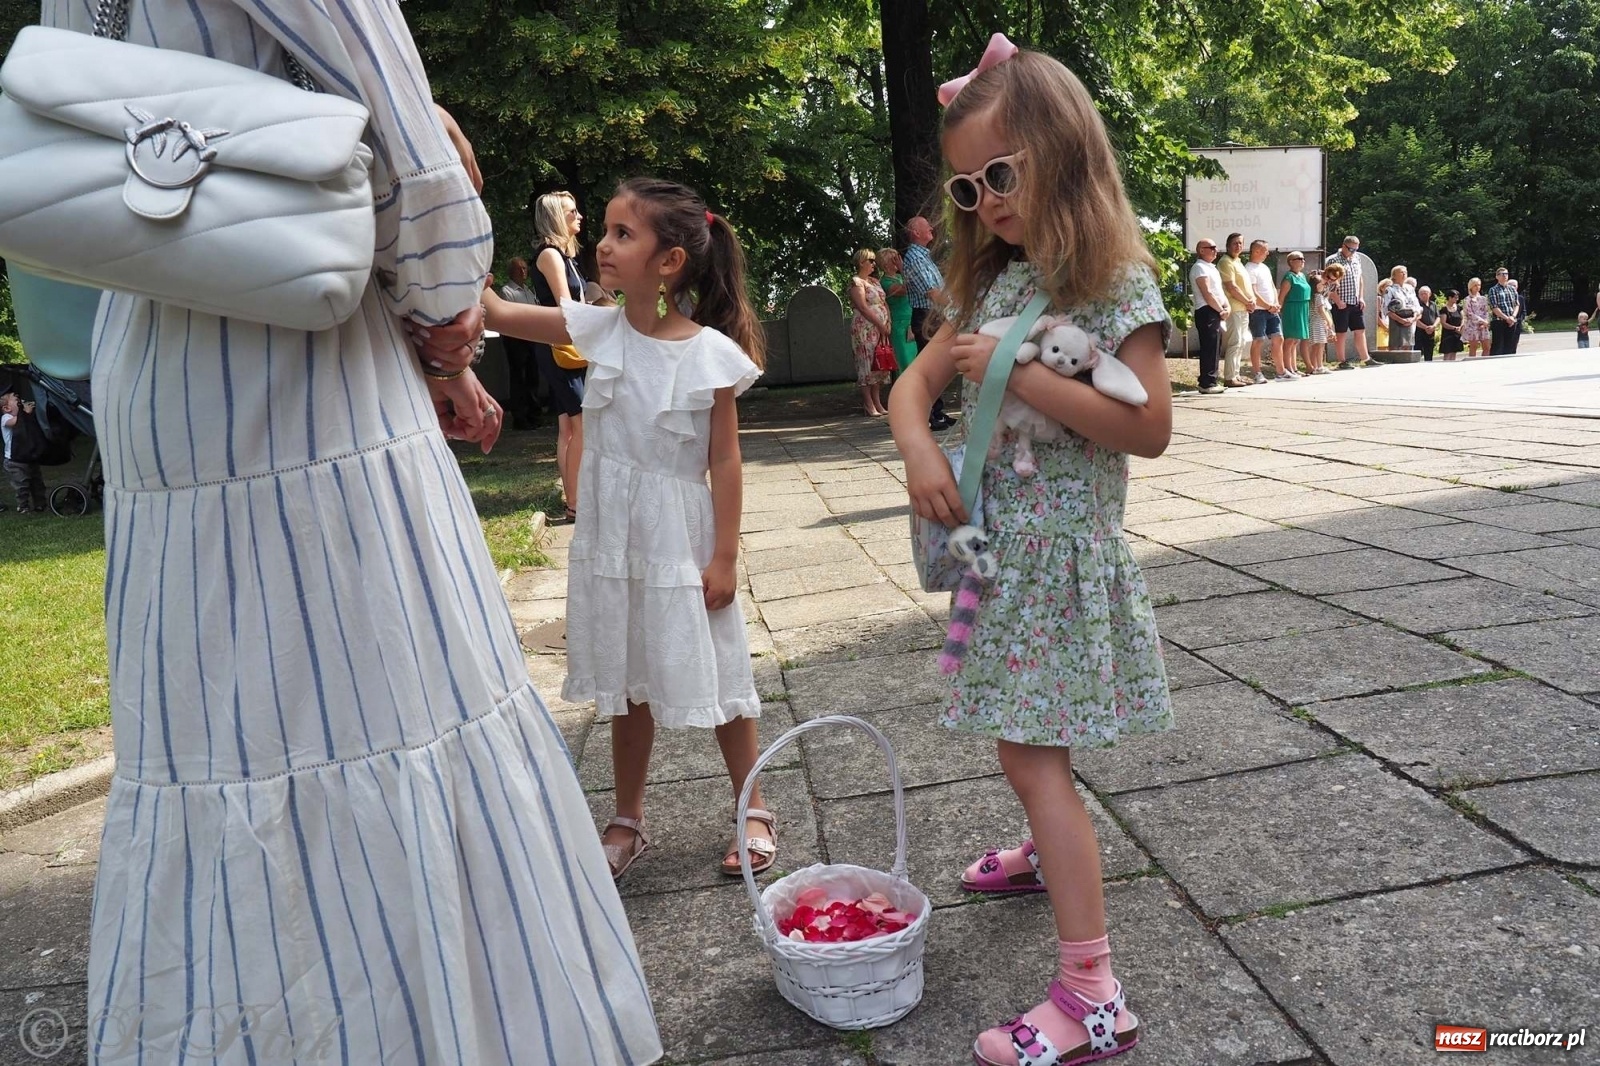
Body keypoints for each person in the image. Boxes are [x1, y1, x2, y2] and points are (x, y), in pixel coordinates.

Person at [52, 0, 662, 1062]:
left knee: (218, 740)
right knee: (383, 703)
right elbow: (414, 159)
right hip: (304, 370)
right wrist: (440, 319)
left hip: (157, 370)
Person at [888, 36, 1173, 1066]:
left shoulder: (1112, 287)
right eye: (968, 187)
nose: (986, 201)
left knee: (1027, 746)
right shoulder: (996, 285)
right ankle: (1042, 857)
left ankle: (1094, 994)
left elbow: (1144, 425)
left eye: (1000, 174)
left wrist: (1008, 375)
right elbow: (909, 389)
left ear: (1062, 154)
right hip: (1003, 551)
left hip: (1061, 557)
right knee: (1026, 731)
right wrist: (920, 445)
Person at [482, 177, 777, 884]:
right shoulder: (594, 326)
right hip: (615, 538)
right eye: (605, 230)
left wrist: (726, 555)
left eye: (622, 234)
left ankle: (755, 804)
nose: (603, 246)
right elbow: (494, 311)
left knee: (718, 671)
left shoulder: (707, 353)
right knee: (626, 677)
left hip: (683, 539)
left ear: (669, 260)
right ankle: (628, 817)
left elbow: (726, 460)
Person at [531, 191, 590, 522]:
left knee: (568, 427)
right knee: (581, 425)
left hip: (562, 346)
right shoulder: (551, 255)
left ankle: (574, 503)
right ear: (556, 217)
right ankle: (578, 504)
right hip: (558, 347)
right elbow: (567, 305)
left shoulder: (565, 256)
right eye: (571, 212)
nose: (578, 216)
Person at [904, 216, 957, 428]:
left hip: (933, 316)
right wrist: (958, 307)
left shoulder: (923, 257)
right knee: (931, 367)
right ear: (916, 232)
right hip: (927, 316)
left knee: (937, 366)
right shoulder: (915, 258)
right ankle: (930, 415)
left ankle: (937, 411)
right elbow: (934, 293)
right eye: (927, 226)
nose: (931, 228)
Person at [847, 247, 893, 415]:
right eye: (871, 261)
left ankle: (877, 402)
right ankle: (868, 404)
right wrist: (880, 324)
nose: (874, 264)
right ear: (861, 262)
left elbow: (883, 301)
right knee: (866, 362)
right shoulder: (856, 282)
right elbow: (863, 307)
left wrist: (887, 321)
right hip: (865, 328)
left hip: (880, 327)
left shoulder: (874, 281)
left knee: (879, 363)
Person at [498, 257, 543, 428]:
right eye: (520, 269)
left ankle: (533, 414)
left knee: (532, 377)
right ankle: (520, 417)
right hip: (516, 340)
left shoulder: (528, 291)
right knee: (519, 378)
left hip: (532, 338)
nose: (523, 272)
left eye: (525, 268)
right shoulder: (507, 291)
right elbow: (511, 317)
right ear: (512, 271)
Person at [1188, 239, 1227, 394]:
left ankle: (1212, 380)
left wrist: (1226, 306)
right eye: (1211, 247)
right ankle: (1206, 382)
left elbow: (1219, 291)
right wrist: (1220, 310)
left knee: (1215, 346)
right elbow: (1207, 292)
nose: (1215, 250)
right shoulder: (1199, 268)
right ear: (1201, 250)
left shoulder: (1212, 268)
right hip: (1206, 310)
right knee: (1209, 347)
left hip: (1216, 310)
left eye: (1216, 247)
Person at [1244, 240, 1287, 379]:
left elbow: (1272, 287)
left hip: (1272, 310)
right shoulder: (1249, 268)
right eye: (1265, 251)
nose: (1267, 253)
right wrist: (1268, 305)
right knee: (1259, 340)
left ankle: (1281, 371)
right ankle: (1257, 373)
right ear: (1256, 251)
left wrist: (1275, 303)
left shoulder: (1264, 267)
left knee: (1279, 338)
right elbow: (1253, 292)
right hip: (1258, 311)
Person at [1325, 235, 1370, 367]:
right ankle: (1341, 360)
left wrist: (1361, 297)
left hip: (1354, 300)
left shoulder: (1356, 258)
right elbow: (1328, 283)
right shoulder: (1333, 260)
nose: (1353, 252)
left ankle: (1366, 358)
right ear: (1344, 246)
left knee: (1360, 329)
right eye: (1351, 249)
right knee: (1341, 332)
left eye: (1356, 249)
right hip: (1340, 302)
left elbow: (1359, 279)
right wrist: (1337, 301)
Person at [1217, 232, 1255, 385]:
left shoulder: (1238, 262)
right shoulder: (1225, 262)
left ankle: (1236, 375)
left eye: (1240, 243)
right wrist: (1247, 301)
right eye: (1234, 243)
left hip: (1244, 308)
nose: (1238, 246)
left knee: (1241, 342)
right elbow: (1231, 287)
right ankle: (1229, 377)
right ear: (1227, 245)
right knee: (1235, 342)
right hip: (1234, 308)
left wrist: (1250, 302)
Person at [1, 391, 47, 514]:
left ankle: (40, 504)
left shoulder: (24, 417)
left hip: (29, 456)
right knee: (22, 484)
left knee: (37, 483)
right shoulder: (6, 418)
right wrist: (25, 413)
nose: (22, 404)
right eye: (18, 402)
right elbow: (16, 423)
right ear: (7, 408)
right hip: (14, 461)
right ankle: (23, 506)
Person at [879, 247, 918, 372]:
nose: (897, 261)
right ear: (885, 264)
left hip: (910, 322)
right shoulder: (885, 281)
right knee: (904, 361)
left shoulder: (899, 277)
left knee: (915, 360)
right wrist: (902, 268)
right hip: (899, 325)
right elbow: (905, 290)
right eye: (894, 259)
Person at [1277, 252, 1312, 376]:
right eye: (1299, 259)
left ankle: (1294, 368)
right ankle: (1288, 368)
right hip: (1292, 309)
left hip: (1303, 308)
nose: (1303, 261)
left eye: (1303, 258)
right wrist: (1278, 309)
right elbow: (1281, 297)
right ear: (1291, 261)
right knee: (1290, 339)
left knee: (1296, 340)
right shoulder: (1288, 277)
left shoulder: (1302, 275)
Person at [1306, 267, 1335, 374]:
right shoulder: (1317, 296)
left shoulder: (1319, 296)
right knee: (1320, 345)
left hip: (1316, 322)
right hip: (1317, 322)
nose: (1324, 286)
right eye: (1322, 284)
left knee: (1317, 345)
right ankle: (1319, 366)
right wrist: (1328, 321)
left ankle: (1315, 366)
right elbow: (1321, 310)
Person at [1385, 266, 1419, 350]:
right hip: (1397, 320)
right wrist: (1401, 320)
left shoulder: (1410, 289)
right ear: (1394, 276)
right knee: (1396, 345)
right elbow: (1387, 309)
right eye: (1401, 272)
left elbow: (1417, 306)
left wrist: (1413, 319)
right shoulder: (1390, 290)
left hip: (1410, 319)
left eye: (1405, 272)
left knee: (1408, 345)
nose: (1404, 273)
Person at [1464, 275, 1493, 358]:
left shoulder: (1483, 298)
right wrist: (1481, 321)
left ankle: (1484, 362)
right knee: (1473, 347)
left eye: (1479, 285)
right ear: (1471, 287)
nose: (1477, 287)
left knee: (1487, 347)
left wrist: (1485, 322)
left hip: (1483, 326)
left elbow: (1486, 311)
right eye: (1475, 285)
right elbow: (1469, 313)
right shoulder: (1468, 299)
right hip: (1472, 325)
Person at [1439, 289, 1465, 360]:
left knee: (1454, 352)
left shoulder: (1459, 308)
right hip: (1448, 334)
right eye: (1455, 297)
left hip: (1457, 333)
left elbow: (1463, 318)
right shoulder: (1444, 309)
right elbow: (1443, 323)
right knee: (1447, 353)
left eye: (1457, 297)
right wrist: (1454, 328)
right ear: (1450, 298)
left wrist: (1460, 327)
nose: (1457, 299)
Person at [1415, 285, 1439, 361]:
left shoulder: (1433, 304)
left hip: (1431, 331)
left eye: (1425, 293)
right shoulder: (1416, 305)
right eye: (1421, 293)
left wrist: (1434, 326)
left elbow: (1438, 317)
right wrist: (1425, 327)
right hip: (1419, 332)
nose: (1423, 295)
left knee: (1429, 352)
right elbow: (1415, 319)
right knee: (1418, 351)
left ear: (1430, 294)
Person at [1509, 279, 1528, 353]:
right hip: (1507, 321)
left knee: (1515, 341)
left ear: (1517, 287)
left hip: (1517, 322)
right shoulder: (1504, 296)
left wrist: (1520, 319)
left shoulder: (1520, 298)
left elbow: (1524, 311)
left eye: (1514, 285)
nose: (1513, 287)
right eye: (1511, 285)